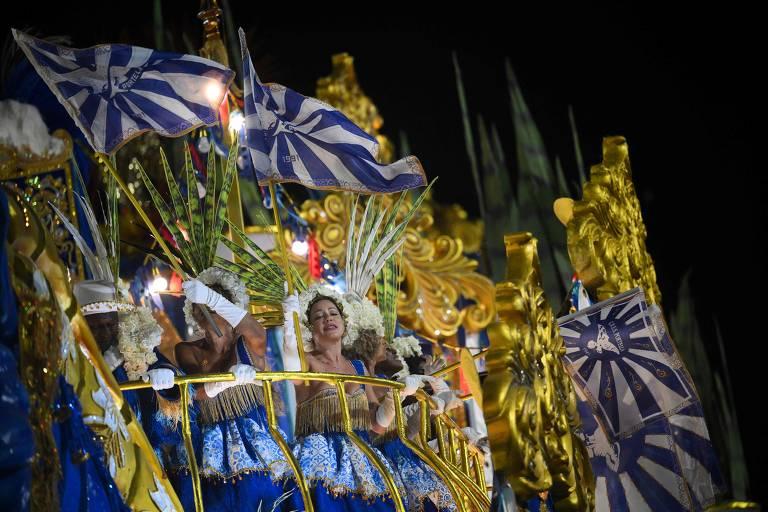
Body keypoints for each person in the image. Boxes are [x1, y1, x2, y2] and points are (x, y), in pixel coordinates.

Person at [147, 267, 296, 512]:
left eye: (215, 300)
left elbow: (258, 334)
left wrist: (211, 298)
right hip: (209, 437)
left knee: (260, 492)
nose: (204, 308)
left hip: (254, 431)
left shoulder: (247, 341)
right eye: (199, 303)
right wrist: (224, 382)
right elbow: (195, 391)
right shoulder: (187, 349)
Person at [284, 285, 417, 511]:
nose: (328, 318)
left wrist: (398, 395)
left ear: (344, 323)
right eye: (319, 316)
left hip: (363, 460)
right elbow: (289, 362)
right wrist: (289, 322)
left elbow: (376, 425)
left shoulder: (359, 367)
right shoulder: (306, 362)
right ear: (310, 328)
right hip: (320, 463)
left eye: (333, 313)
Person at [345, 329, 457, 512]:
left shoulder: (383, 380)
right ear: (365, 347)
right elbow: (382, 426)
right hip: (386, 457)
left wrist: (433, 393)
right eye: (384, 344)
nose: (389, 347)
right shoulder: (365, 380)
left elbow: (408, 427)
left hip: (404, 454)